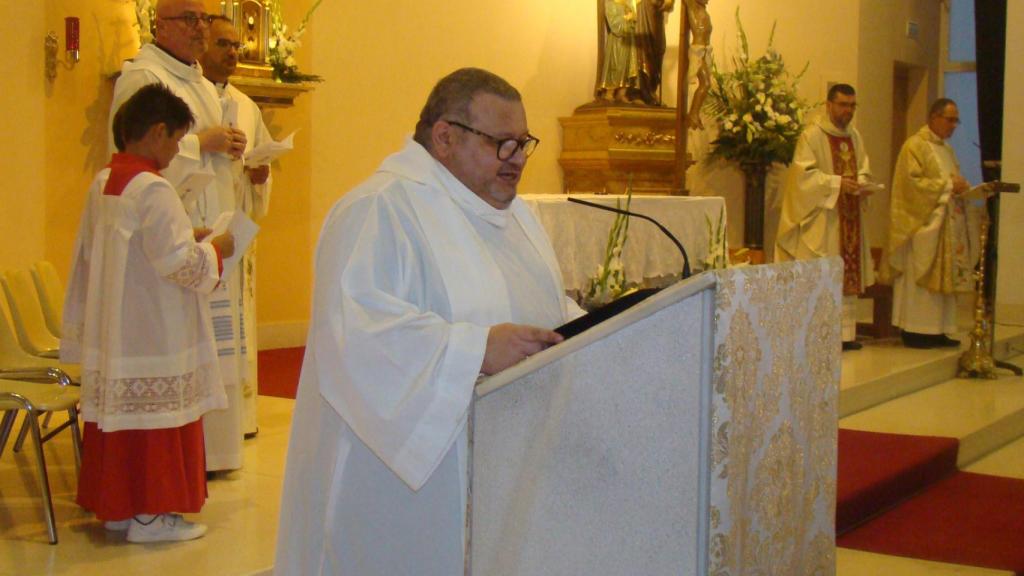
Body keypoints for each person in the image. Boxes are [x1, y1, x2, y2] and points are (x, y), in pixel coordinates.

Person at [275, 68, 584, 575]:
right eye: (502, 144)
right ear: (444, 138)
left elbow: (543, 307)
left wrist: (588, 325)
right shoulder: (379, 209)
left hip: (501, 468)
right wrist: (475, 349)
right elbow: (354, 333)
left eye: (524, 143)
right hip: (396, 486)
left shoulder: (516, 217)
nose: (519, 160)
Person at [62, 84, 235, 542]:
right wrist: (215, 250)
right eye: (177, 140)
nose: (177, 150)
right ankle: (152, 516)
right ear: (157, 132)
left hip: (118, 325)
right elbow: (179, 264)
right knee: (158, 419)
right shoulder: (153, 188)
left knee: (123, 419)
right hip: (153, 327)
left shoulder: (105, 181)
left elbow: (122, 249)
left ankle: (121, 509)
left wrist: (188, 236)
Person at [111, 0, 248, 471]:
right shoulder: (143, 76)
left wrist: (228, 145)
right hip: (170, 230)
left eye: (202, 20)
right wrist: (202, 142)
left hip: (207, 224)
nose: (199, 30)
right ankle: (188, 461)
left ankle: (214, 452)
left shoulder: (197, 81)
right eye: (189, 20)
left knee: (212, 345)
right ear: (159, 24)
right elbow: (129, 146)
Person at [201, 16, 274, 438]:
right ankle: (212, 432)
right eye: (223, 44)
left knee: (239, 325)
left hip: (237, 231)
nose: (233, 52)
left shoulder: (247, 106)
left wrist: (260, 177)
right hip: (205, 230)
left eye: (236, 45)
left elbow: (256, 165)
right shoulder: (188, 98)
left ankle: (240, 422)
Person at [776, 84, 875, 351]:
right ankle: (821, 333)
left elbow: (863, 167)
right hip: (824, 220)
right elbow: (802, 177)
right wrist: (836, 184)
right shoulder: (812, 136)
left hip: (849, 216)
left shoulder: (855, 136)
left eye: (852, 105)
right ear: (828, 105)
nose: (848, 111)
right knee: (825, 274)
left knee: (845, 272)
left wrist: (862, 182)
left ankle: (845, 335)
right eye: (843, 105)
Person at [889, 98, 979, 349]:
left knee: (945, 283)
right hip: (924, 227)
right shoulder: (914, 146)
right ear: (933, 118)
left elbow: (950, 182)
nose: (954, 126)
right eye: (950, 119)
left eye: (956, 120)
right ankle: (917, 331)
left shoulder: (946, 150)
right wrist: (950, 185)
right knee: (920, 284)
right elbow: (910, 185)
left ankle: (939, 329)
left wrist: (961, 188)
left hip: (947, 226)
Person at [635, 0, 675, 106]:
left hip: (656, 12)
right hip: (642, 10)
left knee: (659, 48)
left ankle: (651, 88)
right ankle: (644, 91)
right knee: (645, 49)